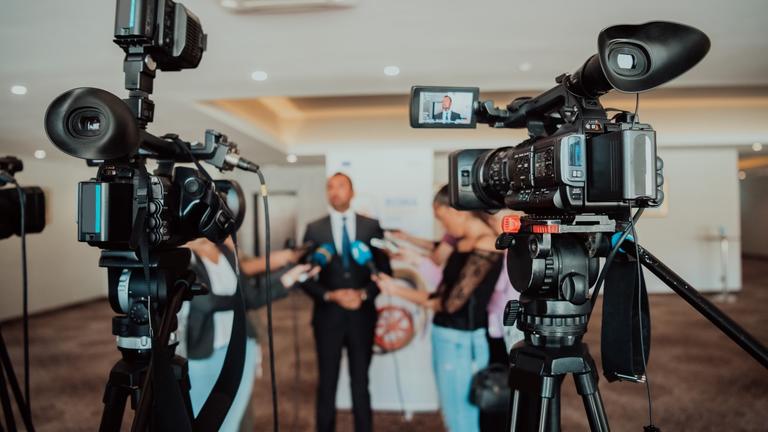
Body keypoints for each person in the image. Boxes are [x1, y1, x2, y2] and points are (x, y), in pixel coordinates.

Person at [372, 185, 502, 432]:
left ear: (457, 212)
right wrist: (407, 249)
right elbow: (438, 259)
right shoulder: (465, 242)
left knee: (461, 419)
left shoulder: (486, 244)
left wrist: (395, 290)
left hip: (462, 342)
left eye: (442, 219)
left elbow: (449, 303)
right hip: (448, 337)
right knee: (454, 415)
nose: (444, 229)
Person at [178, 237, 313, 431]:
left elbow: (252, 296)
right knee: (198, 420)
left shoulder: (226, 252)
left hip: (242, 348)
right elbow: (206, 302)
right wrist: (242, 301)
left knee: (231, 421)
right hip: (203, 351)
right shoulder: (185, 258)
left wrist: (290, 278)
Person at [301, 172, 392, 432]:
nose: (335, 191)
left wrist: (363, 295)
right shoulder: (314, 228)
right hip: (327, 316)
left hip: (362, 316)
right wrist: (330, 295)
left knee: (360, 382)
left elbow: (385, 272)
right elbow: (305, 276)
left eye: (341, 186)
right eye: (330, 187)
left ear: (352, 192)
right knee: (326, 382)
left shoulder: (371, 226)